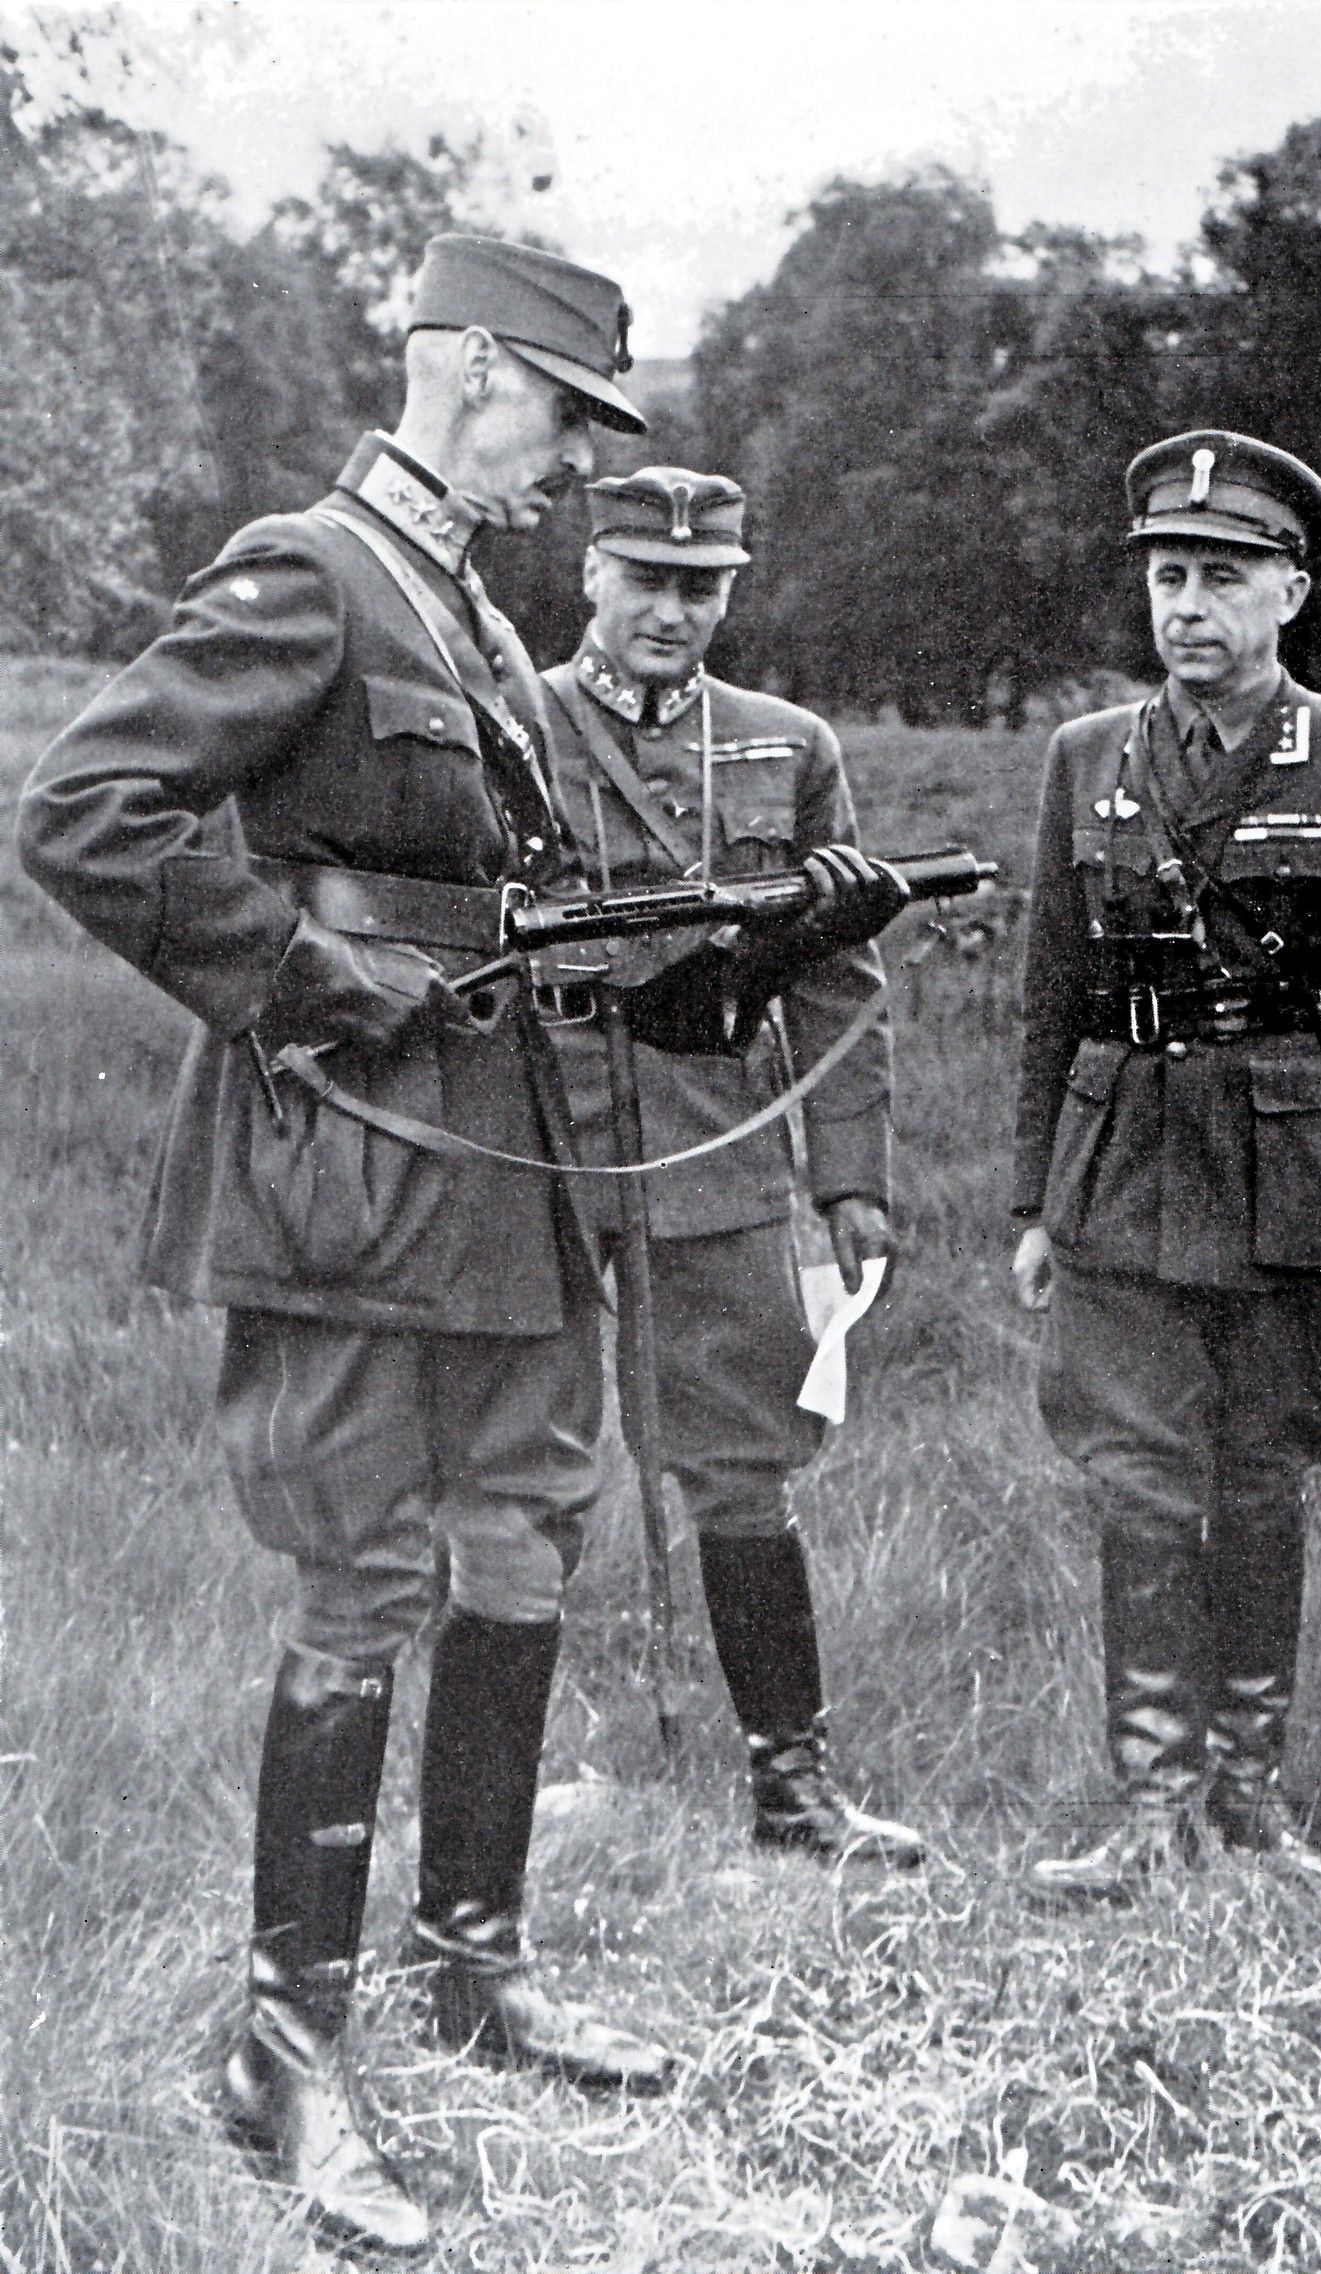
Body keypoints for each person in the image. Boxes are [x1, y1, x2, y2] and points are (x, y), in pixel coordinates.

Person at [16, 238, 905, 2254]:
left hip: (511, 1177)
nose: (568, 458)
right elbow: (89, 814)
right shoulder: (309, 569)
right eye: (565, 416)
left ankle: (473, 1962)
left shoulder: (474, 619)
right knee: (359, 1589)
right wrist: (310, 986)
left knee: (520, 1549)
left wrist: (759, 946)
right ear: (477, 371)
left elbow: (530, 931)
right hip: (351, 1175)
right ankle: (284, 2051)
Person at [1010, 430, 1321, 1904]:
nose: (1187, 608)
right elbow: (1049, 995)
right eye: (1167, 578)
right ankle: (1151, 1806)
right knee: (1139, 1487)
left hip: (1293, 1186)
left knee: (1261, 1481)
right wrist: (1032, 1200)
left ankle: (1250, 1794)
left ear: (1291, 593)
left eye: (1222, 577)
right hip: (1121, 1174)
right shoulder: (1086, 761)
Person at [539, 466, 925, 1867]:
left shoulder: (784, 745)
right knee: (519, 1466)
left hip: (713, 1145)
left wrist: (850, 1179)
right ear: (591, 573)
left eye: (700, 586)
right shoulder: (513, 725)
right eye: (645, 577)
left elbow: (836, 984)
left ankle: (792, 1785)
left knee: (741, 1469)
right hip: (540, 1143)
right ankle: (494, 1797)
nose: (670, 609)